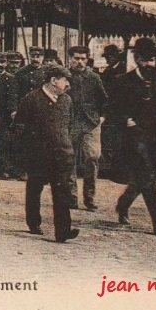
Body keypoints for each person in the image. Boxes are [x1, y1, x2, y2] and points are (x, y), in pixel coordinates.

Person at [106, 38, 156, 237]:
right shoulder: (123, 81)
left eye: (152, 60)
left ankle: (123, 204)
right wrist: (126, 120)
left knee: (144, 177)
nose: (149, 64)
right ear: (136, 58)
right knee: (147, 176)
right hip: (134, 137)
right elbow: (111, 110)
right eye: (145, 60)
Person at [18, 65, 79, 242]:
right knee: (35, 187)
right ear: (53, 80)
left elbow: (69, 125)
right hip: (38, 155)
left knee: (61, 191)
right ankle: (34, 221)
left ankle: (63, 231)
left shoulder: (66, 100)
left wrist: (67, 146)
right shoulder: (31, 99)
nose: (67, 84)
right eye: (65, 80)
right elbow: (20, 127)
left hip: (61, 154)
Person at [67, 45, 107, 211]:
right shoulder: (64, 76)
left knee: (92, 157)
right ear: (70, 59)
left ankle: (89, 198)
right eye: (76, 58)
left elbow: (104, 100)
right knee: (69, 160)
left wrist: (102, 117)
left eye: (83, 59)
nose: (80, 62)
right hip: (70, 122)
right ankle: (71, 198)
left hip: (91, 123)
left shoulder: (93, 77)